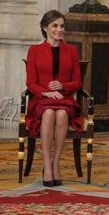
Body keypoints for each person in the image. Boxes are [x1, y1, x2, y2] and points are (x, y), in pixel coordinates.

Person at [25, 10, 85, 187]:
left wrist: (63, 86)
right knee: (50, 113)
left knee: (61, 115)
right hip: (42, 100)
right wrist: (46, 92)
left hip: (65, 99)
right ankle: (47, 165)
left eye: (62, 26)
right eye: (55, 26)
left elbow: (77, 82)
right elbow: (30, 82)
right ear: (45, 28)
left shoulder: (72, 50)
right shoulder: (34, 50)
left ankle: (56, 164)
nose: (59, 30)